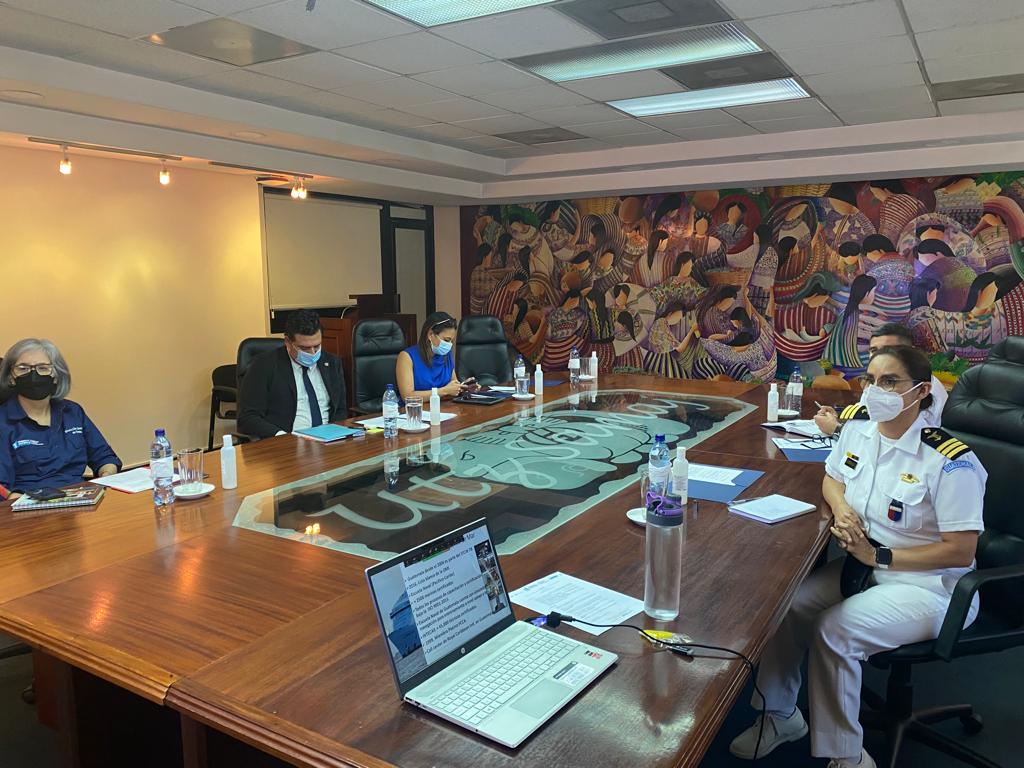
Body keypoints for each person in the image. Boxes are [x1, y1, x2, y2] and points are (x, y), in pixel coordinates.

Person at [730, 345, 986, 768]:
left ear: (922, 391)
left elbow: (961, 551)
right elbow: (832, 477)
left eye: (890, 381)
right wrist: (842, 508)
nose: (875, 390)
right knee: (788, 606)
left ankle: (848, 758)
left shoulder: (949, 461)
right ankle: (780, 715)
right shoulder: (859, 429)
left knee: (834, 632)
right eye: (871, 380)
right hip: (867, 567)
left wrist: (878, 555)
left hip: (933, 586)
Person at [0, 338, 120, 499]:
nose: (33, 375)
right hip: (29, 504)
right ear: (10, 377)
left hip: (79, 500)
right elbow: (3, 487)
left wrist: (106, 477)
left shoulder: (72, 412)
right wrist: (14, 498)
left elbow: (104, 457)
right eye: (23, 368)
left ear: (56, 376)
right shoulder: (3, 422)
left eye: (43, 368)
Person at [814, 323, 947, 435]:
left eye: (888, 350)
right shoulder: (874, 383)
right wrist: (837, 417)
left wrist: (837, 429)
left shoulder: (921, 387)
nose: (879, 356)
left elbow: (911, 437)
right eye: (874, 350)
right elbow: (868, 417)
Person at [238, 309, 347, 439]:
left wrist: (336, 434)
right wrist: (282, 437)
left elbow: (340, 409)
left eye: (317, 346)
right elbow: (247, 418)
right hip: (286, 441)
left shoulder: (331, 362)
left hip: (328, 439)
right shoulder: (264, 365)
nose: (313, 353)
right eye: (305, 348)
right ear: (288, 342)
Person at [397, 312, 472, 402]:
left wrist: (465, 387)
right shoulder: (407, 357)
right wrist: (443, 391)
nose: (449, 345)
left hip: (444, 407)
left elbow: (453, 386)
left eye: (452, 341)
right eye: (446, 340)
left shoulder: (446, 354)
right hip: (416, 409)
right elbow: (407, 396)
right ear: (430, 335)